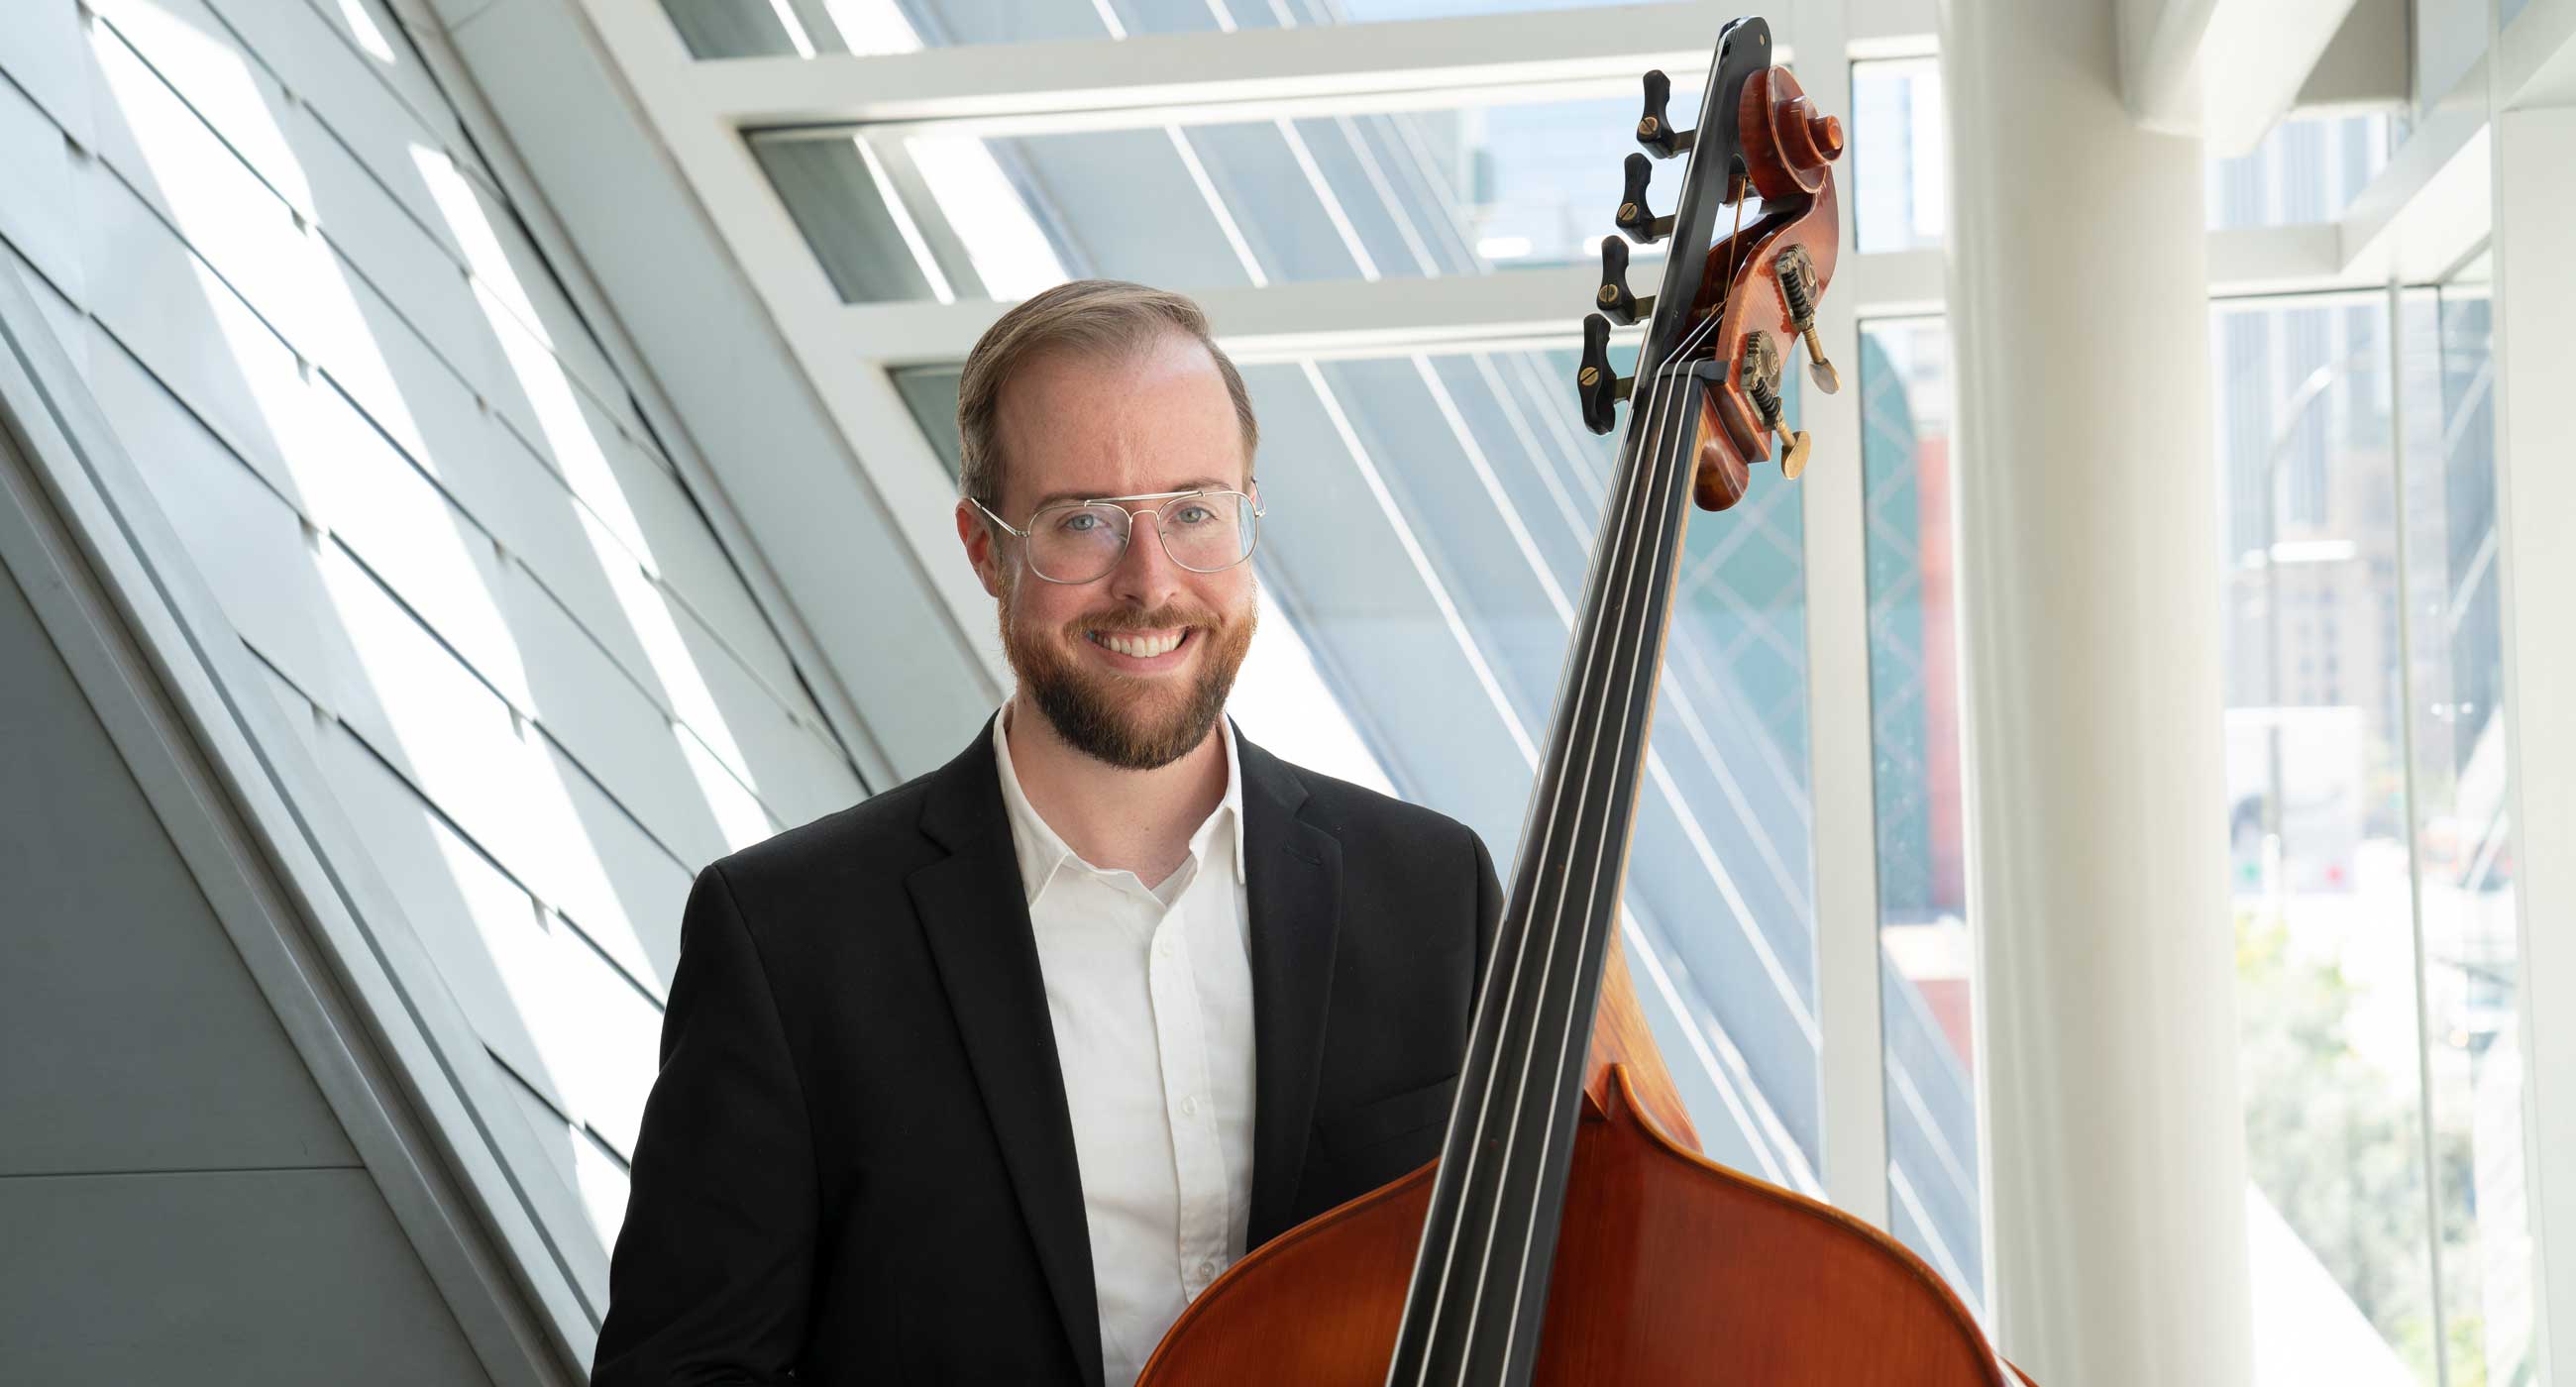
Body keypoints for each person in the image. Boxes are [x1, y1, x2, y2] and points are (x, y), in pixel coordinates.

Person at [591, 279, 1502, 1387]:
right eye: (1082, 520)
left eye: (1192, 510)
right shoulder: (788, 938)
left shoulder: (1431, 890)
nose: (1150, 582)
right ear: (984, 549)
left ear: (1247, 512)